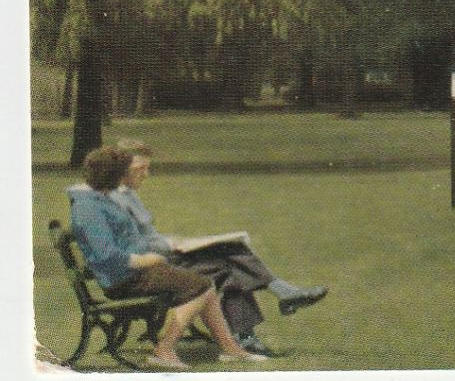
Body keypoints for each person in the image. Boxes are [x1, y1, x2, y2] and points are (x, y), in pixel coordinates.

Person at [100, 141, 326, 357]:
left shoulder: (126, 195)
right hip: (148, 268)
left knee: (231, 252)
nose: (146, 174)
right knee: (229, 264)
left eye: (147, 168)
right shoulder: (115, 200)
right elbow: (134, 245)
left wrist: (177, 241)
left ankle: (265, 316)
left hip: (159, 258)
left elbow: (147, 236)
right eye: (140, 169)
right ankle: (265, 315)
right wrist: (175, 245)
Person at [68, 146, 269, 370]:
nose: (127, 177)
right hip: (124, 280)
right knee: (201, 287)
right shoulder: (88, 208)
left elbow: (124, 241)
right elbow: (107, 255)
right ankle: (164, 349)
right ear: (112, 175)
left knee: (205, 287)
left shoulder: (100, 200)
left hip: (135, 273)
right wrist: (147, 260)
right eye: (124, 172)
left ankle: (231, 350)